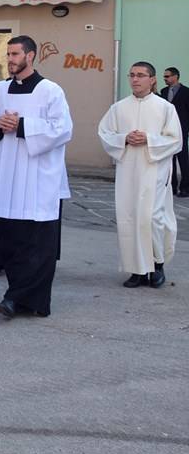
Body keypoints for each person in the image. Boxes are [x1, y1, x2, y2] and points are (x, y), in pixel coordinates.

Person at [0, 35, 72, 318]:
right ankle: (18, 296)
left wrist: (22, 125)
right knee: (13, 241)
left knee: (37, 245)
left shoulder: (50, 90)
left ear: (30, 56)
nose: (10, 59)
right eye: (8, 54)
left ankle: (21, 299)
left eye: (15, 54)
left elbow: (62, 128)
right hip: (7, 177)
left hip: (39, 178)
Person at [98, 62, 181, 288]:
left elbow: (176, 140)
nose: (135, 79)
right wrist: (124, 138)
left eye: (141, 75)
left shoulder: (165, 108)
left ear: (152, 80)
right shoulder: (119, 108)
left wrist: (149, 139)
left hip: (154, 170)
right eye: (132, 75)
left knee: (152, 218)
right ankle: (136, 270)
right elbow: (105, 133)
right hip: (128, 171)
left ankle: (157, 265)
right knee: (129, 216)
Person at [159, 67, 189, 197]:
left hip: (182, 129)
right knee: (169, 159)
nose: (165, 79)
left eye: (167, 76)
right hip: (167, 130)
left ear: (175, 77)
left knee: (183, 159)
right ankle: (172, 186)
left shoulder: (186, 92)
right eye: (164, 76)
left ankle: (185, 188)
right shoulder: (164, 91)